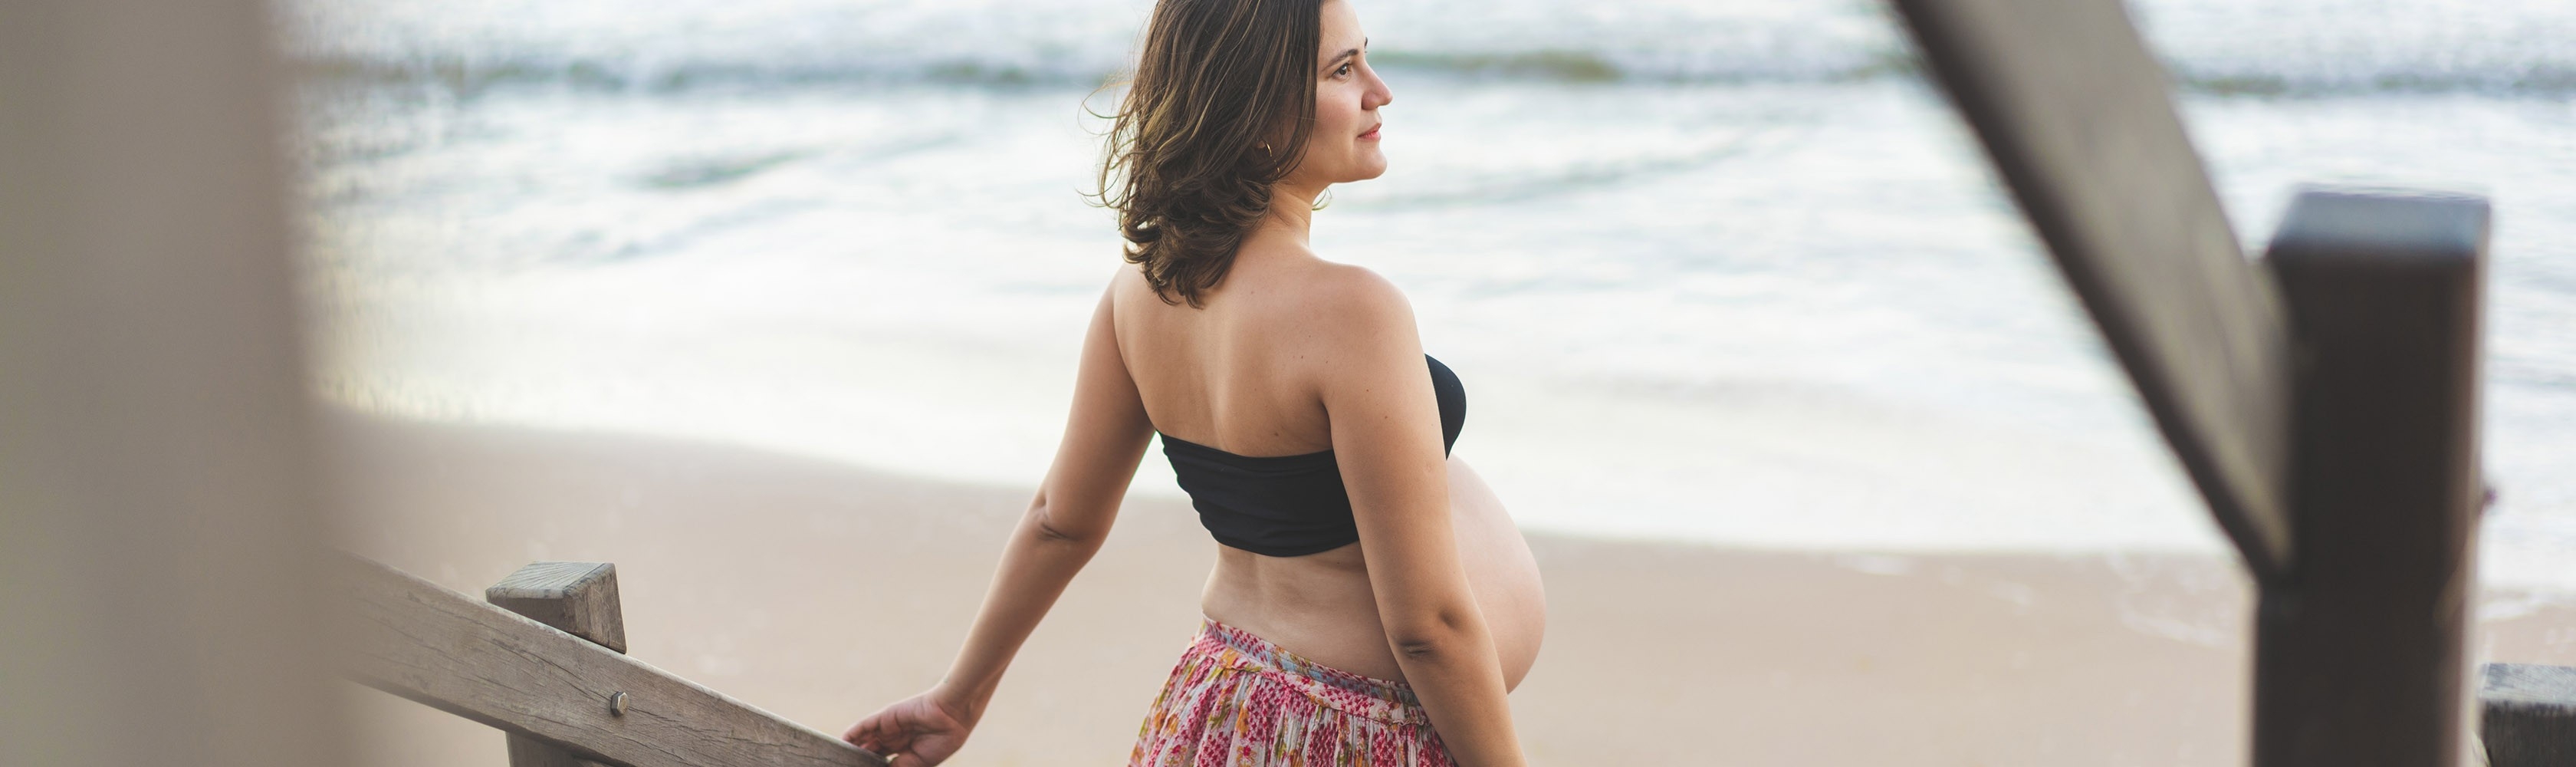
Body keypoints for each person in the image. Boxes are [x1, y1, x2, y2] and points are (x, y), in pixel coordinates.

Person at [843, 1, 1545, 764]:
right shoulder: (1355, 311)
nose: (1381, 91)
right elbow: (1429, 628)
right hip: (1350, 733)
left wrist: (959, 697)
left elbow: (1059, 521)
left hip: (1220, 700)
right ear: (1255, 105)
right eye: (1343, 70)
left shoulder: (1141, 294)